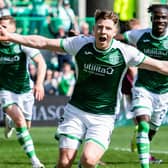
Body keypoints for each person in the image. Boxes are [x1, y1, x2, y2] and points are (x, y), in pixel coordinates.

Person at [1, 9, 168, 168]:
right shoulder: (79, 44)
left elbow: (159, 65)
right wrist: (11, 36)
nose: (103, 31)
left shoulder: (125, 52)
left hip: (104, 117)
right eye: (100, 27)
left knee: (88, 160)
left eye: (108, 28)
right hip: (76, 112)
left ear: (114, 31)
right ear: (94, 28)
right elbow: (43, 42)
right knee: (65, 162)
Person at [116, 4, 168, 166]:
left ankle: (139, 137)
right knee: (144, 126)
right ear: (151, 18)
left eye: (164, 17)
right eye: (157, 17)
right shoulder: (138, 35)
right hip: (143, 88)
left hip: (164, 92)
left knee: (151, 131)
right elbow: (114, 37)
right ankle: (144, 165)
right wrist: (84, 37)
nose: (160, 20)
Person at [0, 15, 46, 168]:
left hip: (25, 90)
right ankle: (35, 162)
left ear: (13, 29)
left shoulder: (22, 43)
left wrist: (39, 84)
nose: (0, 29)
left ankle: (10, 122)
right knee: (21, 122)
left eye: (4, 27)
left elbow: (41, 63)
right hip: (4, 90)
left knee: (25, 127)